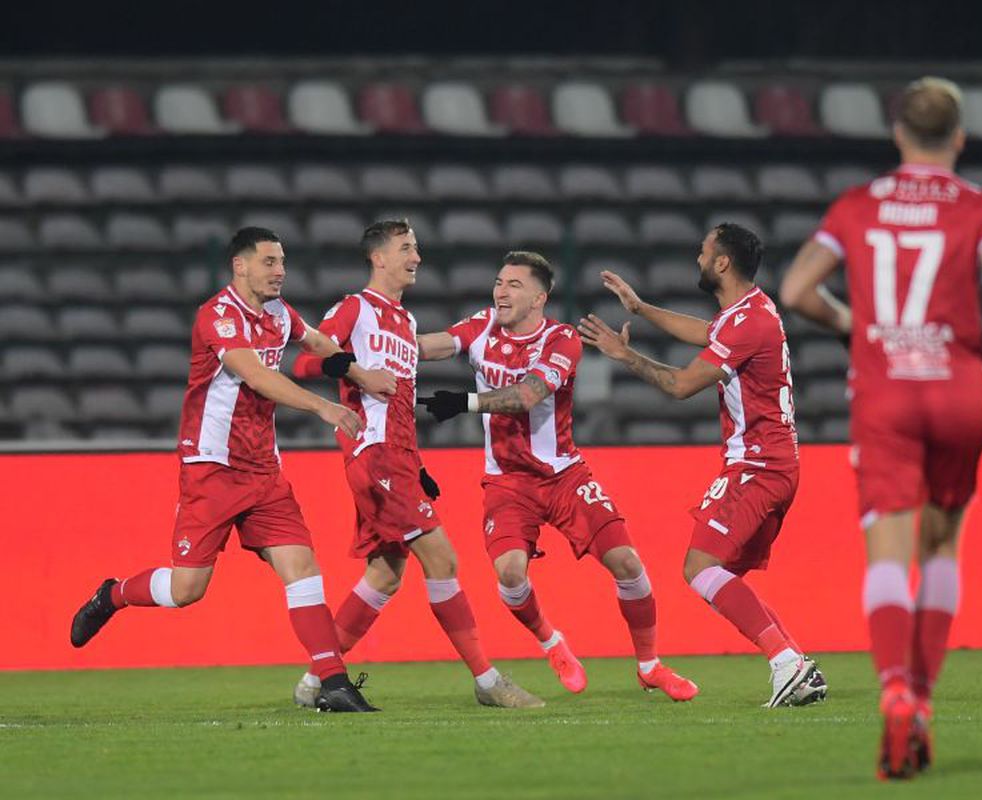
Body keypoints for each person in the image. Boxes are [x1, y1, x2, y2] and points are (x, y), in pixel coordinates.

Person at [778, 77, 982, 779]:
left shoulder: (858, 204)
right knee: (942, 547)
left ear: (897, 135)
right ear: (958, 138)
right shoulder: (981, 207)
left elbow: (798, 289)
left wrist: (856, 326)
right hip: (958, 386)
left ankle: (893, 688)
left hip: (885, 389)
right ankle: (921, 700)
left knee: (888, 551)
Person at [69, 226, 398, 712]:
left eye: (282, 261)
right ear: (239, 266)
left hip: (264, 471)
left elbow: (319, 344)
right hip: (213, 468)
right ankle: (112, 595)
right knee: (187, 590)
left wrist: (359, 372)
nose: (280, 270)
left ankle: (334, 682)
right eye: (268, 261)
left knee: (302, 569)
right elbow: (258, 376)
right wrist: (324, 408)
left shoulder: (280, 314)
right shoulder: (218, 315)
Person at [415, 251, 697, 702]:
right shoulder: (483, 325)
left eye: (513, 285)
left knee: (627, 563)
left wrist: (464, 402)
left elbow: (528, 396)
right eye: (498, 282)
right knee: (509, 573)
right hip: (507, 482)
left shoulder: (562, 340)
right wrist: (384, 339)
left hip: (564, 475)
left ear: (538, 298)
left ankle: (650, 665)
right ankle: (553, 643)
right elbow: (434, 345)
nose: (500, 292)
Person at [290, 220, 542, 708]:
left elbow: (402, 400)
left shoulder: (404, 325)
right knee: (444, 559)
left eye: (417, 248)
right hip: (375, 455)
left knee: (385, 575)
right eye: (407, 248)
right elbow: (304, 362)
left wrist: (418, 466)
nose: (417, 257)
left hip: (398, 458)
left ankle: (314, 680)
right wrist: (358, 372)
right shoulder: (354, 308)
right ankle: (488, 682)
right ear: (379, 257)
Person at [578, 223, 828, 709]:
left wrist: (624, 354)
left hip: (757, 465)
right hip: (773, 462)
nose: (696, 257)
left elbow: (680, 386)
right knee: (719, 574)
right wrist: (641, 309)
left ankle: (786, 663)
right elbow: (704, 331)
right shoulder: (750, 311)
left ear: (721, 264)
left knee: (700, 568)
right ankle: (795, 661)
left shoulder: (747, 323)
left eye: (703, 251)